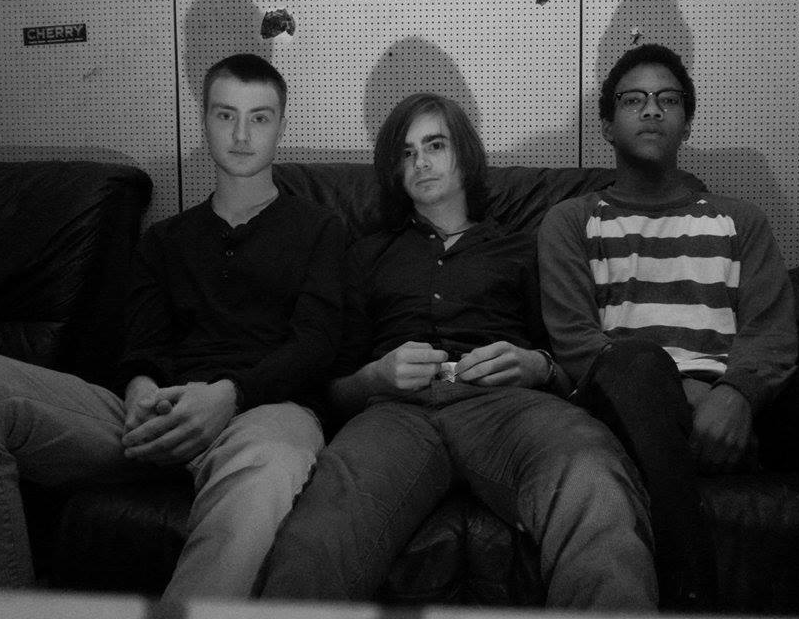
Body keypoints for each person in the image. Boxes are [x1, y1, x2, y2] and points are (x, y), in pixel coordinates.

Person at [0, 53, 346, 601]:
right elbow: (143, 343)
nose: (242, 135)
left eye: (259, 118)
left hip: (264, 414)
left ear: (281, 127)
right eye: (226, 115)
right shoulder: (164, 240)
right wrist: (140, 390)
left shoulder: (321, 229)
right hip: (152, 416)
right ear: (205, 120)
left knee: (270, 464)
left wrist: (230, 394)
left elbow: (318, 344)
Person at [257, 92, 658, 610]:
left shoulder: (522, 248)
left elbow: (572, 365)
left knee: (593, 477)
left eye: (435, 145)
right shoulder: (365, 254)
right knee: (319, 532)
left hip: (508, 407)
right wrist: (377, 376)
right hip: (396, 414)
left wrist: (535, 365)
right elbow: (335, 390)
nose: (420, 162)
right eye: (406, 153)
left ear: (465, 155)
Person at [537, 43, 797, 609]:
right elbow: (578, 344)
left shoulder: (740, 220)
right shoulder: (573, 222)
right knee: (635, 361)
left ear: (686, 121)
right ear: (607, 126)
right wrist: (685, 396)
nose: (652, 109)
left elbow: (771, 333)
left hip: (733, 410)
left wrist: (736, 395)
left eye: (667, 99)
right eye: (633, 100)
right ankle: (691, 596)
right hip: (625, 402)